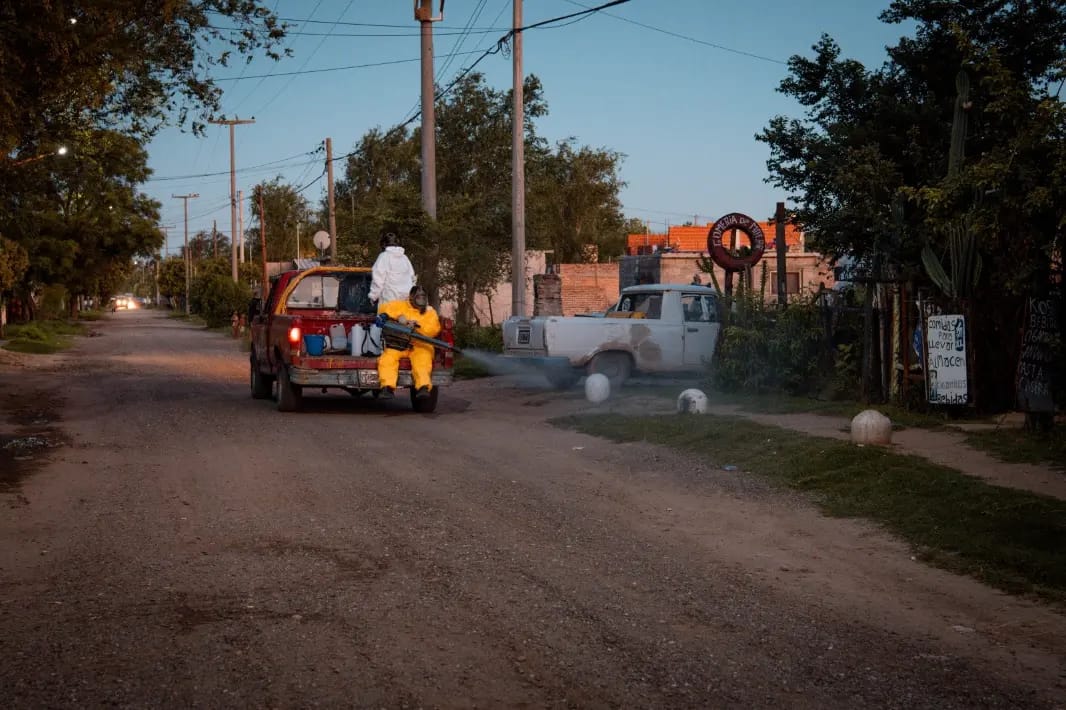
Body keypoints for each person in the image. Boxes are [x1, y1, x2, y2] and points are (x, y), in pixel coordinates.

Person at [375, 285, 441, 400]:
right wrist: (394, 316)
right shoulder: (401, 306)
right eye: (418, 297)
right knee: (387, 358)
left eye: (423, 297)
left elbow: (433, 330)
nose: (421, 300)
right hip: (400, 343)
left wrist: (416, 327)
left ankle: (423, 388)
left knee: (422, 361)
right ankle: (387, 388)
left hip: (420, 345)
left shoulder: (430, 312)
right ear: (411, 297)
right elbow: (384, 308)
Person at [369, 231, 416, 309]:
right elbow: (412, 278)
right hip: (405, 298)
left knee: (388, 319)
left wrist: (373, 296)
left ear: (383, 244)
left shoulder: (384, 257)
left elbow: (378, 279)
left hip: (389, 298)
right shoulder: (404, 258)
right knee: (403, 320)